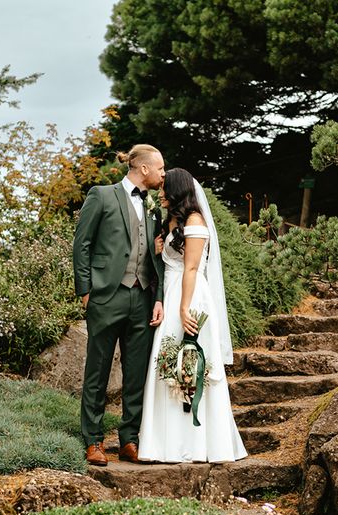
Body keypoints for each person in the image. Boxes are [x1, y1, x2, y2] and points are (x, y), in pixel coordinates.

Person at [138, 168, 247, 463]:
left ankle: (198, 444)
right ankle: (166, 443)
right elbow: (171, 262)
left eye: (164, 188)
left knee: (191, 361)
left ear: (177, 190)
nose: (159, 193)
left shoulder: (196, 221)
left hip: (190, 295)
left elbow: (191, 268)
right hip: (173, 291)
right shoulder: (171, 221)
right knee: (168, 362)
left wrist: (184, 308)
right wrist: (159, 248)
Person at [73, 144, 166, 466]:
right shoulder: (102, 195)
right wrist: (85, 290)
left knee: (137, 373)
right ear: (143, 169)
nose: (163, 174)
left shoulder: (154, 207)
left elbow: (158, 259)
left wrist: (158, 297)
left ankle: (130, 440)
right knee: (97, 371)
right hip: (106, 295)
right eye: (160, 169)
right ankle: (93, 441)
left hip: (141, 297)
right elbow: (82, 243)